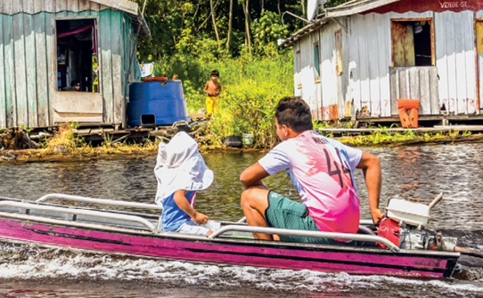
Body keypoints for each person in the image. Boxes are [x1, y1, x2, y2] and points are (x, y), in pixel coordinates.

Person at [238, 96, 383, 242]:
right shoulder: (333, 144)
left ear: (285, 129)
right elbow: (372, 161)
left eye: (276, 127)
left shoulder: (289, 146)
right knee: (277, 235)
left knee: (249, 195)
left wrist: (262, 199)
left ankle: (266, 255)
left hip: (323, 233)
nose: (277, 132)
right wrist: (374, 209)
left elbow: (245, 177)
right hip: (350, 231)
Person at [154, 129, 214, 235]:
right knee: (211, 234)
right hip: (176, 225)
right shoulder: (183, 177)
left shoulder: (173, 173)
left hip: (174, 222)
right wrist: (195, 215)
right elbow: (178, 198)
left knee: (214, 226)